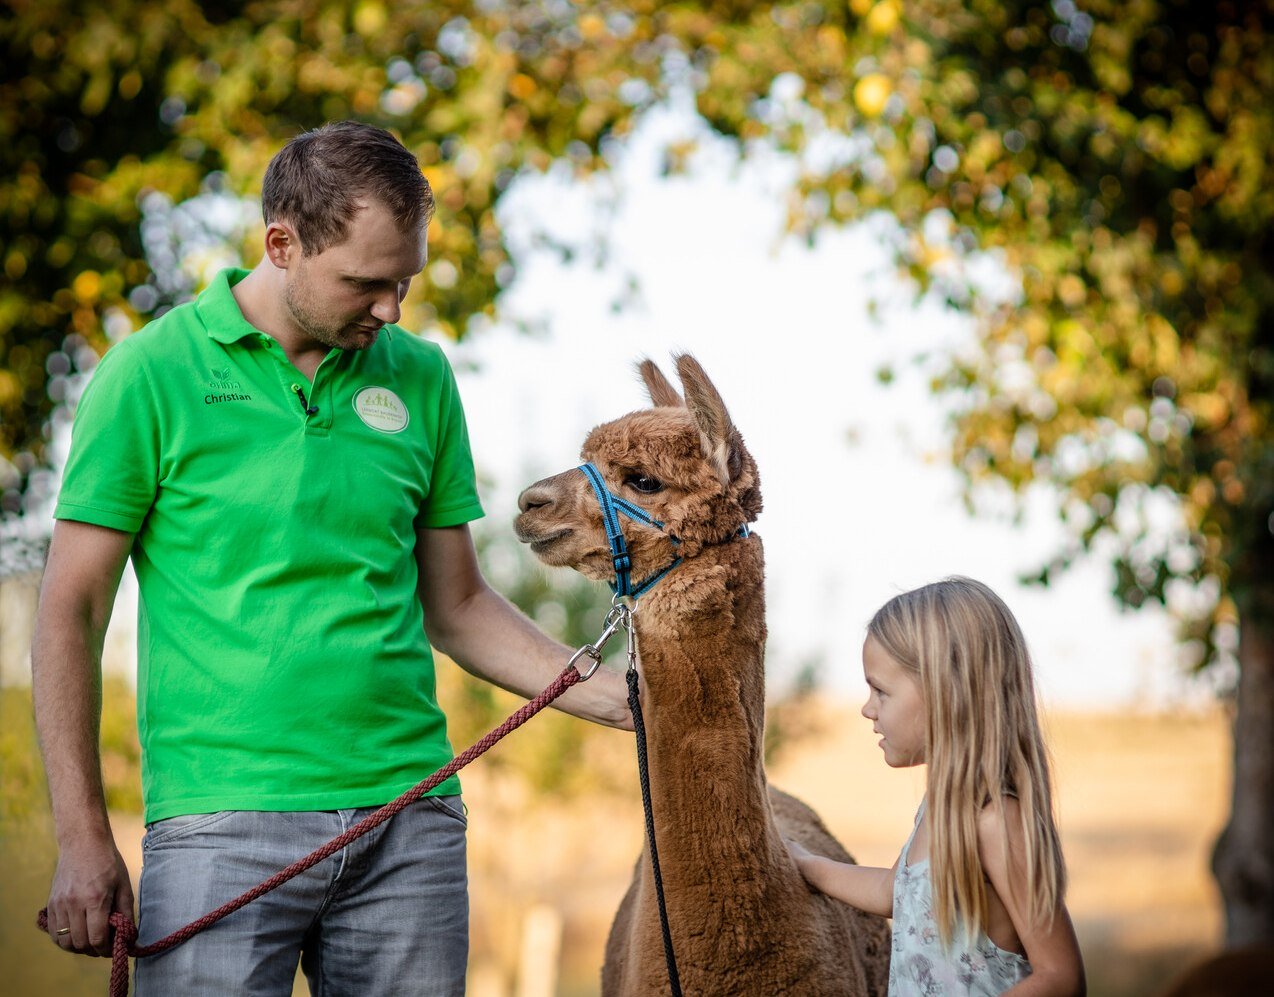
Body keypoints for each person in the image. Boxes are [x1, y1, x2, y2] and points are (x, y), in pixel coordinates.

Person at [32, 120, 631, 995]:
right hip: (221, 825)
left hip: (408, 821)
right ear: (283, 243)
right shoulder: (149, 376)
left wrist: (616, 698)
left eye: (404, 282)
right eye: (367, 282)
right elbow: (71, 609)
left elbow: (457, 603)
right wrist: (83, 834)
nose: (391, 309)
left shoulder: (419, 375)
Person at [787, 577, 1086, 996]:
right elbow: (893, 893)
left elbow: (1061, 976)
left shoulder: (997, 821)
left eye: (881, 691)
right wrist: (807, 865)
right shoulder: (940, 808)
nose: (867, 708)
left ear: (946, 692)